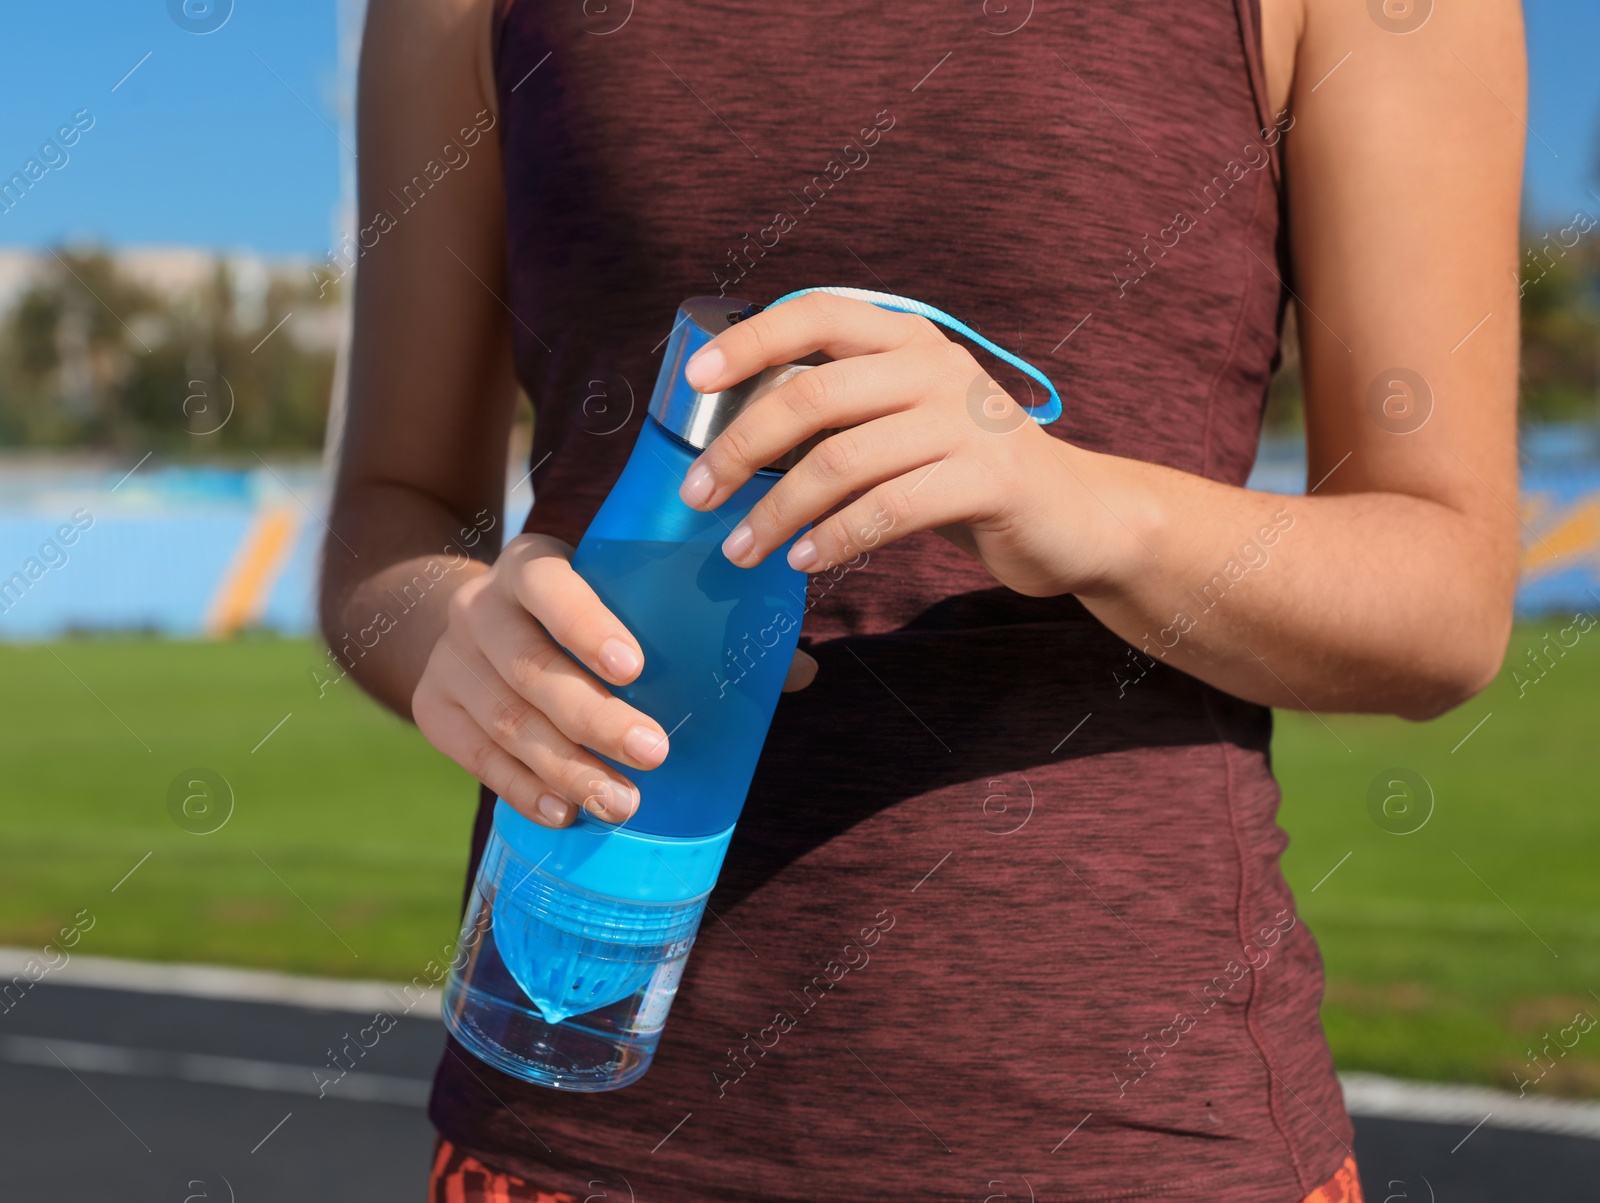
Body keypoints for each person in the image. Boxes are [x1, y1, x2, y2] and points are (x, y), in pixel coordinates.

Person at [320, 0, 1523, 1198]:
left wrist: (1081, 509)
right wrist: (455, 626)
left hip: (1138, 1147)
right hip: (567, 1129)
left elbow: (1443, 595)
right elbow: (391, 513)